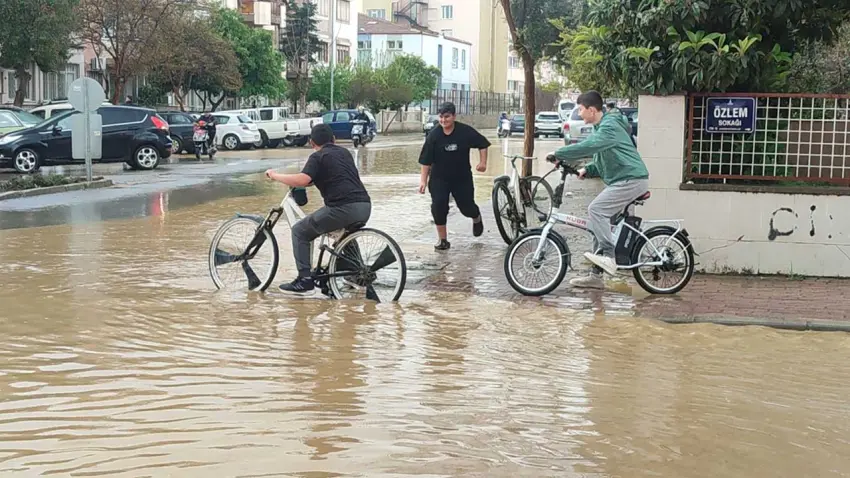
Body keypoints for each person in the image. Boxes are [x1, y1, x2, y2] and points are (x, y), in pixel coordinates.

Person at [549, 90, 649, 289]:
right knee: (598, 225)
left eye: (580, 109)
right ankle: (596, 277)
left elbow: (589, 146)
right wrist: (587, 169)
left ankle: (609, 257)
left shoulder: (609, 127)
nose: (579, 113)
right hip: (623, 179)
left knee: (596, 210)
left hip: (631, 179)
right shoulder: (601, 128)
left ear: (592, 110)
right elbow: (604, 158)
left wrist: (559, 153)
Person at [265, 123, 372, 295]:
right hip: (365, 207)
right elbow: (330, 177)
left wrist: (275, 175)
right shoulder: (344, 153)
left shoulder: (318, 157)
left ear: (311, 143)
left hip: (342, 208)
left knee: (300, 231)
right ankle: (355, 273)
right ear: (334, 139)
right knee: (344, 235)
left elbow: (302, 179)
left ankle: (304, 280)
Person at [418, 102, 489, 251]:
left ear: (454, 116)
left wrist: (483, 163)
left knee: (466, 207)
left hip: (462, 178)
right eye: (441, 117)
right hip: (439, 178)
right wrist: (423, 181)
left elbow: (483, 144)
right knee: (438, 206)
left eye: (447, 117)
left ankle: (476, 217)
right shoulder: (434, 136)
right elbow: (425, 160)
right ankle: (443, 240)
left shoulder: (465, 131)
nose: (443, 120)